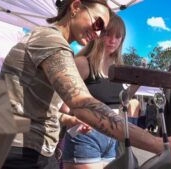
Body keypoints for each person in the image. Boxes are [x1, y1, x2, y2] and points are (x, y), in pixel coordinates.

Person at [0, 0, 171, 168]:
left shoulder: (47, 41)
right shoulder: (50, 41)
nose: (98, 33)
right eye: (98, 24)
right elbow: (81, 103)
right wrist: (157, 143)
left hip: (29, 147)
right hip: (21, 150)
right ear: (76, 7)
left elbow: (32, 105)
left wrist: (70, 120)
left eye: (102, 30)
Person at [62, 14, 144, 169]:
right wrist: (76, 120)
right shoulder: (83, 64)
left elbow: (120, 102)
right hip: (86, 135)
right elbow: (63, 107)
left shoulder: (118, 69)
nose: (113, 40)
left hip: (113, 138)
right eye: (108, 34)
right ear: (98, 34)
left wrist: (137, 84)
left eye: (118, 36)